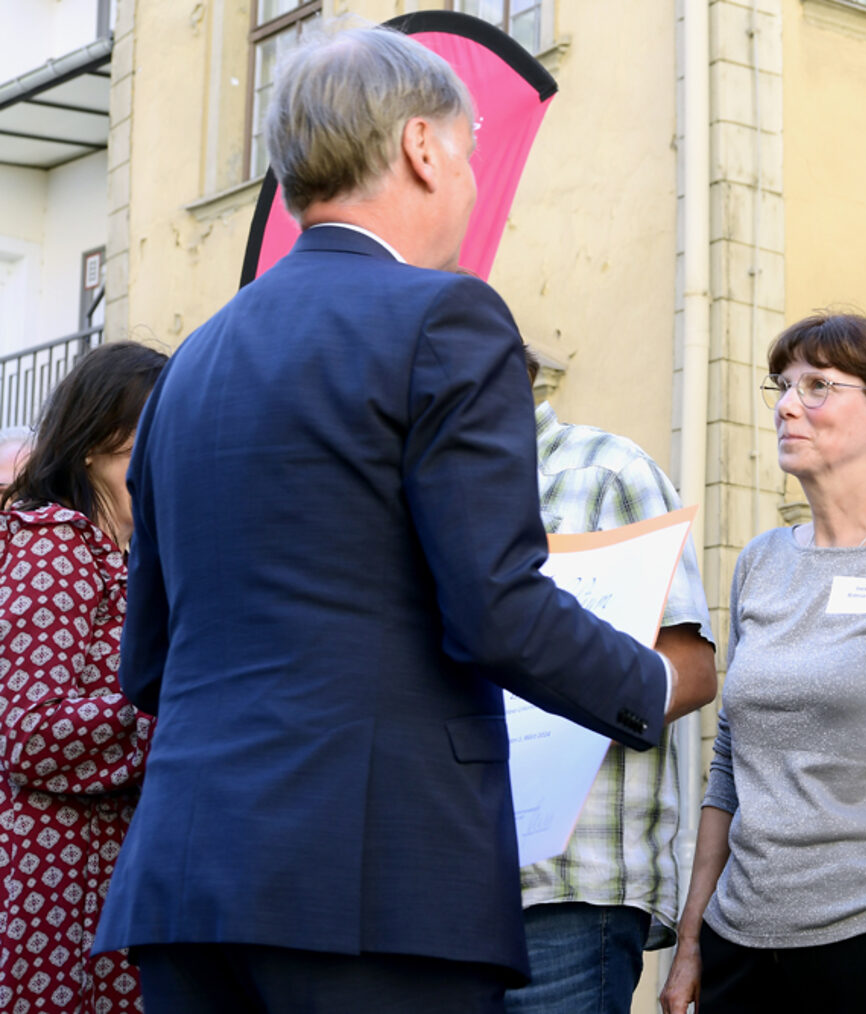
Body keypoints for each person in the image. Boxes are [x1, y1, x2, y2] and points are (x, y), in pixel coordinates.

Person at [93, 22, 682, 1014]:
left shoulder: (188, 367)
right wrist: (654, 683)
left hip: (188, 884)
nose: (469, 180)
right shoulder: (446, 316)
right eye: (465, 150)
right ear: (419, 147)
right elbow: (494, 607)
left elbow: (147, 662)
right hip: (374, 883)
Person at [659, 313, 866, 1014]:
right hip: (740, 947)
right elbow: (728, 765)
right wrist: (691, 940)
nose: (788, 405)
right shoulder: (761, 561)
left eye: (817, 386)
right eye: (782, 386)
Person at [506, 347, 717, 1013]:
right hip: (436, 888)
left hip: (568, 892)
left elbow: (691, 671)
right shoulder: (416, 495)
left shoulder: (606, 471)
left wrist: (561, 677)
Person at [0, 341, 166, 1014]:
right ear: (99, 441)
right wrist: (178, 717)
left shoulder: (121, 553)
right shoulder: (53, 542)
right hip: (60, 888)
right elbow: (30, 731)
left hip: (105, 878)